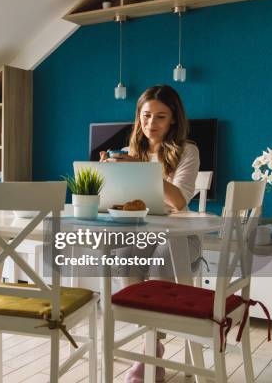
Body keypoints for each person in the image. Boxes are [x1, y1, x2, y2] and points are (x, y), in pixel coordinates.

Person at [100, 84, 201, 383]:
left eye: (160, 117)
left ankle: (149, 353)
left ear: (173, 120)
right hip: (145, 235)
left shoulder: (188, 151)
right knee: (120, 254)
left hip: (181, 241)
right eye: (145, 116)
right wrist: (110, 174)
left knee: (159, 258)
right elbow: (123, 200)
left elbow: (179, 200)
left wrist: (142, 169)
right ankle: (152, 348)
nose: (151, 124)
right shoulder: (133, 152)